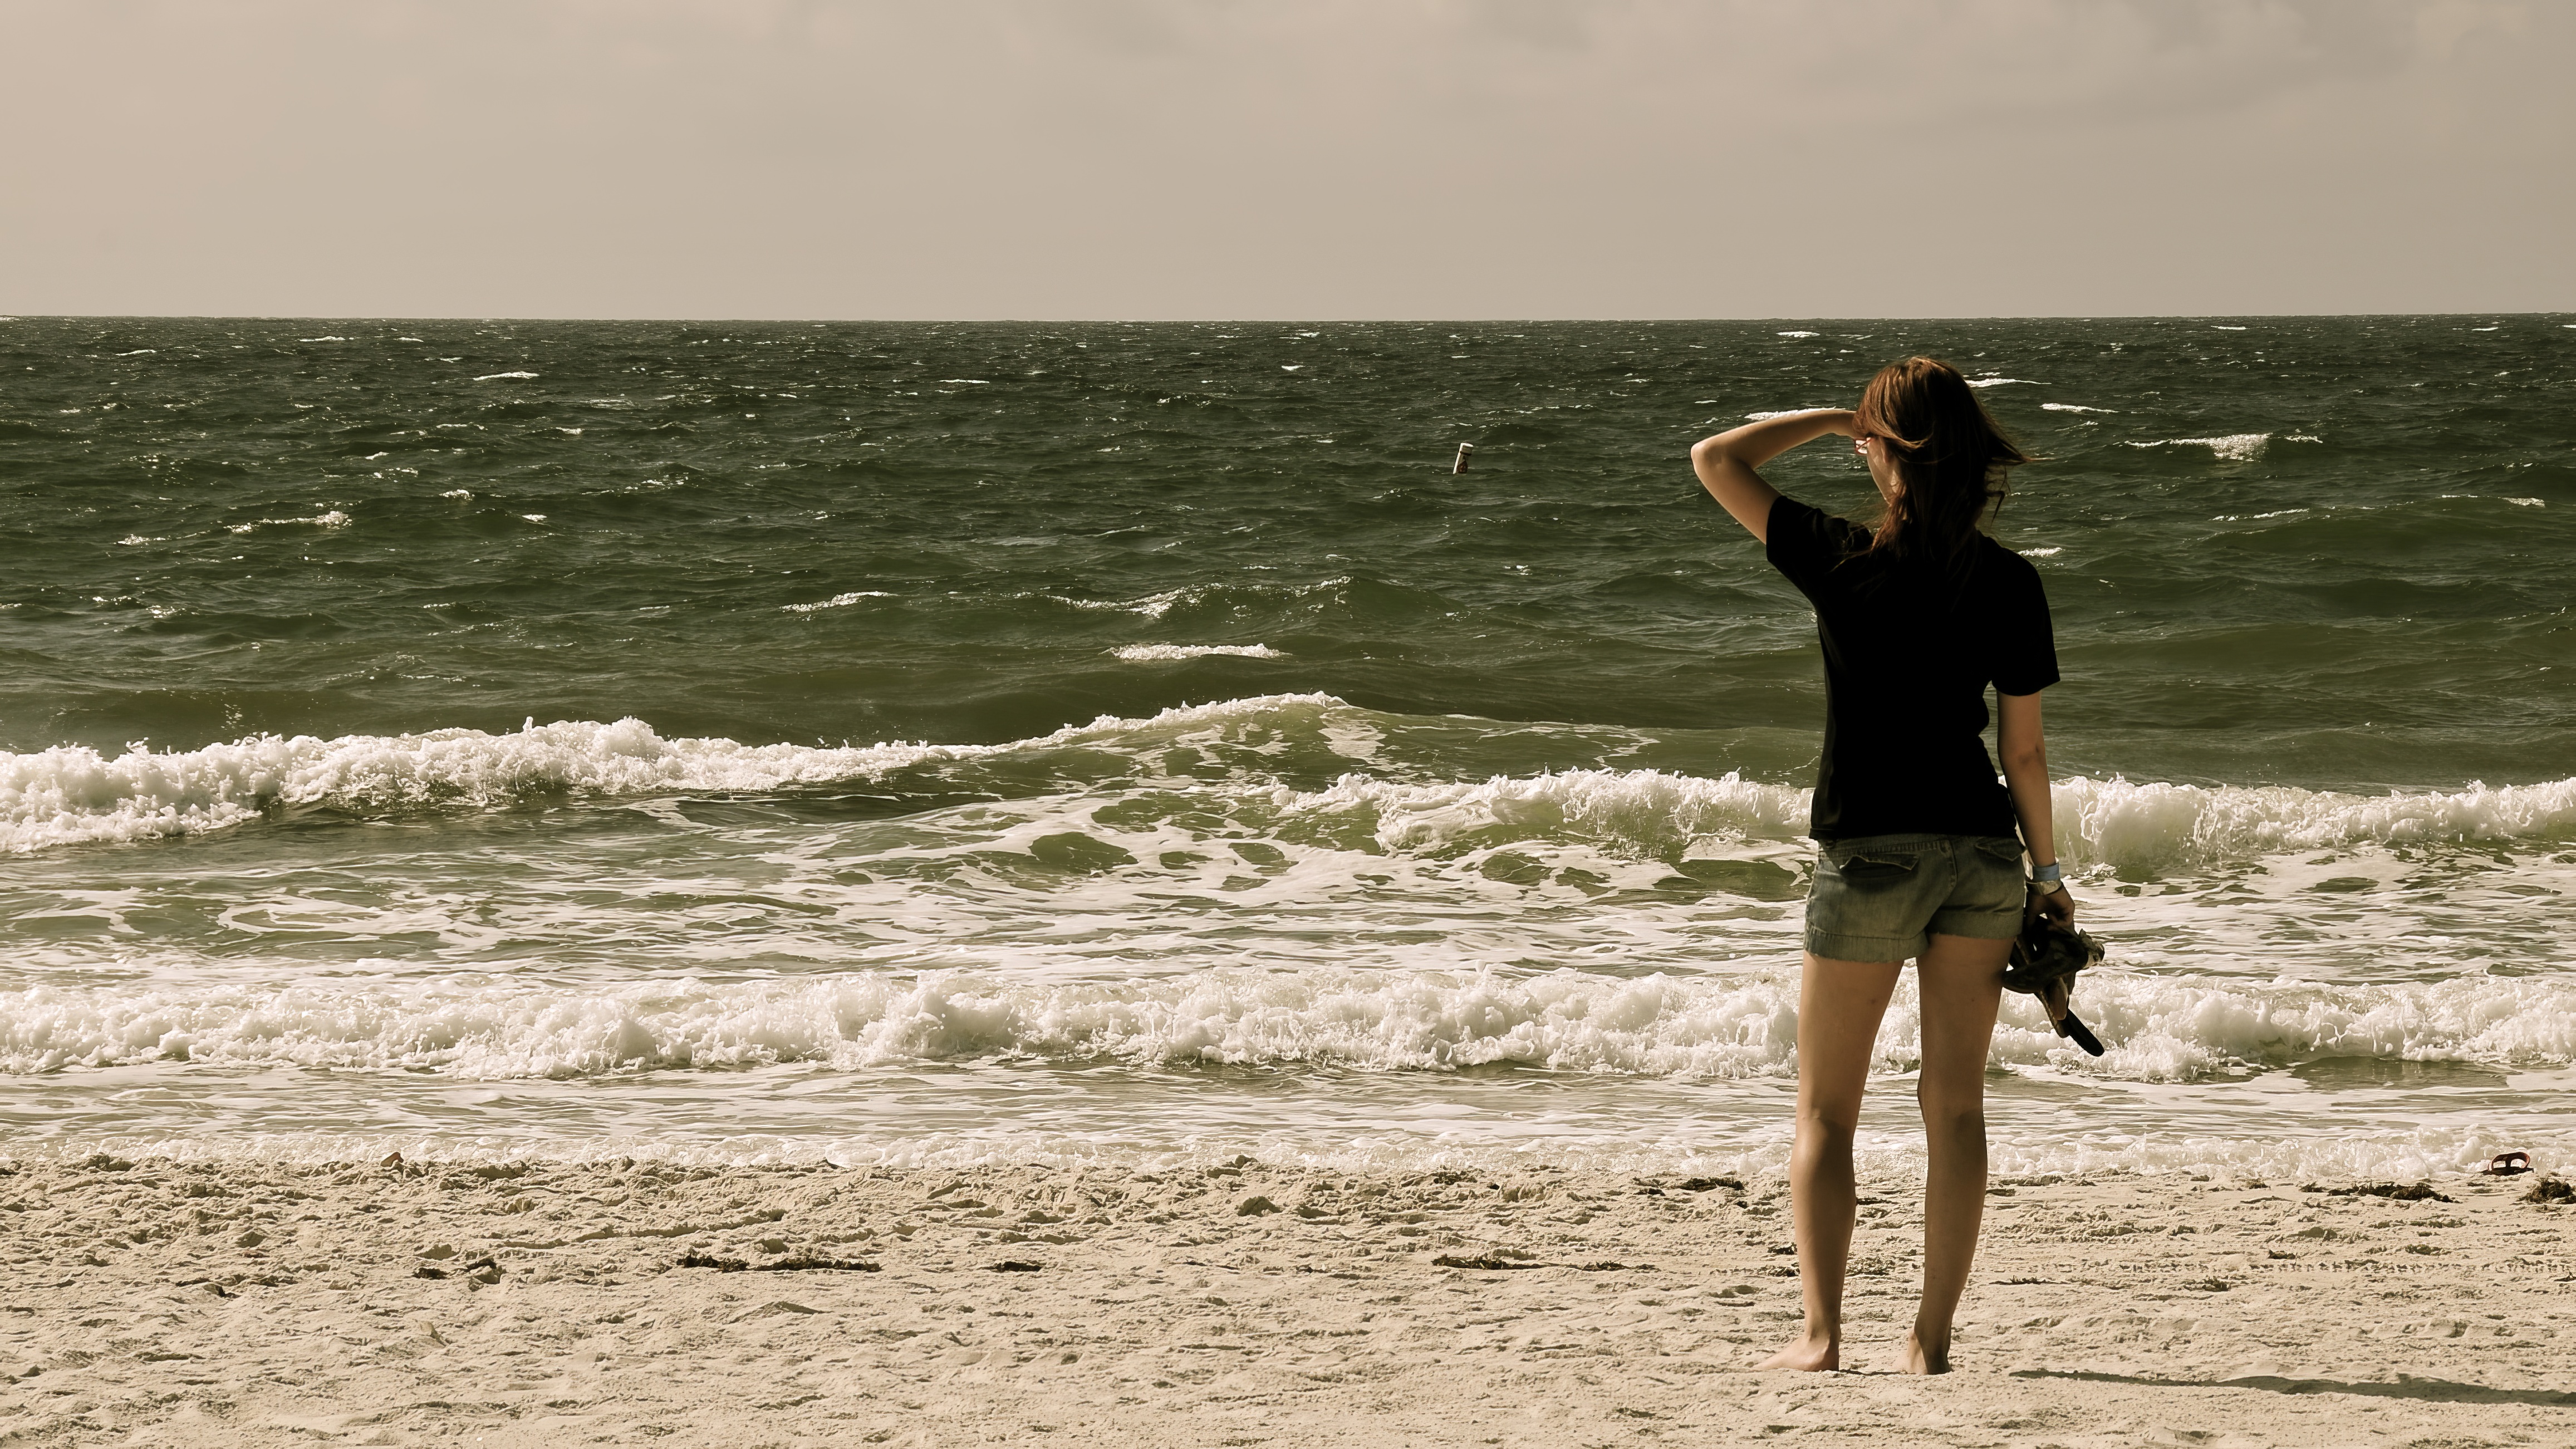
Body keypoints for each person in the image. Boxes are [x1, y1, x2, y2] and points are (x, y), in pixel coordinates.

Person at [1688, 356, 2074, 1375]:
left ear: (1884, 449)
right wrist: (2047, 877)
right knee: (1956, 1107)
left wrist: (1831, 420)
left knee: (1826, 1112)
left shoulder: (1840, 555)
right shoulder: (2010, 580)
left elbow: (1715, 457)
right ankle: (1931, 1339)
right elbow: (2023, 753)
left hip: (1868, 857)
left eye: (1870, 437)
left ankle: (1820, 1337)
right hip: (1985, 856)